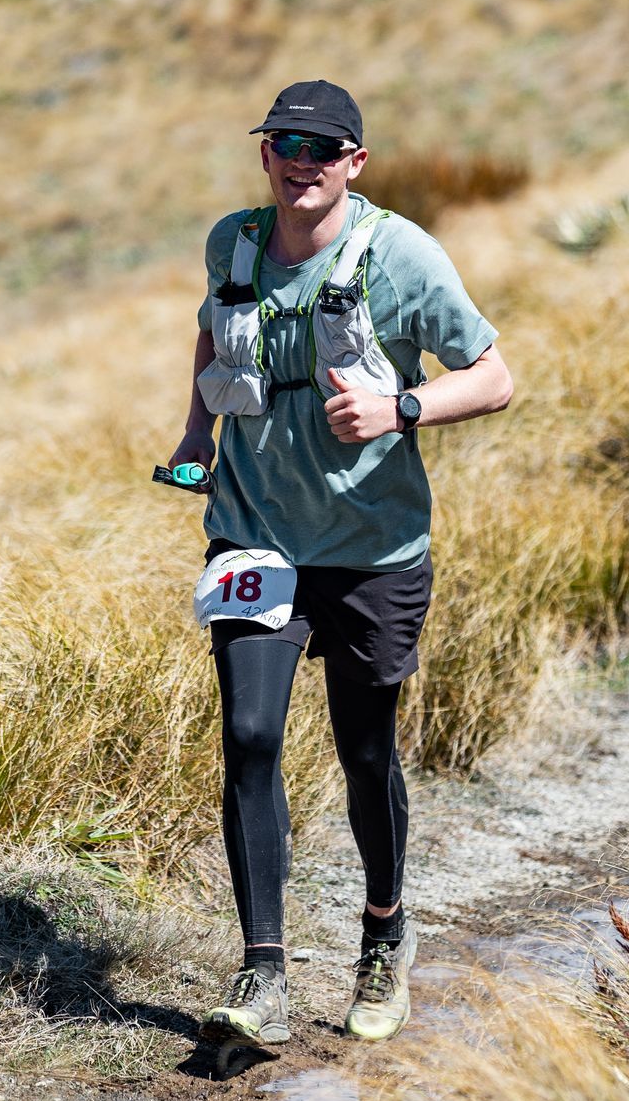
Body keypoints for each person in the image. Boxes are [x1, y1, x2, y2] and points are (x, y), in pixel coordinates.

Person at [169, 79, 514, 1050]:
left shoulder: (402, 255)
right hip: (253, 533)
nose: (302, 162)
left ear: (355, 163)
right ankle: (263, 971)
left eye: (323, 148)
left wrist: (401, 408)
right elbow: (212, 330)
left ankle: (384, 933)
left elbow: (493, 376)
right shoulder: (233, 243)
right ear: (265, 154)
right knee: (250, 736)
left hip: (371, 549)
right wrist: (196, 433)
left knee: (365, 754)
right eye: (286, 143)